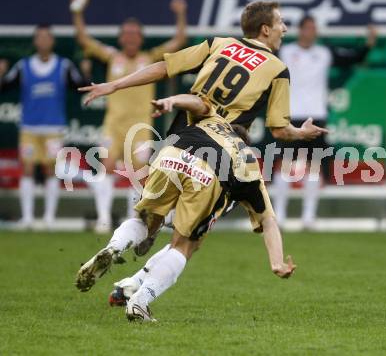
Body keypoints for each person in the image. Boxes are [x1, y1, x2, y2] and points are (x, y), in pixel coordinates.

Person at [77, 1, 328, 301]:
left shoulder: (218, 43)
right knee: (190, 240)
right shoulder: (277, 68)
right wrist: (302, 133)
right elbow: (278, 129)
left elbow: (165, 67)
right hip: (221, 153)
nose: (285, 28)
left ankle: (123, 264)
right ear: (265, 29)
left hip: (179, 138)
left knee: (148, 218)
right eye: (281, 23)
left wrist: (115, 85)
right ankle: (139, 294)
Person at [76, 93, 296, 322]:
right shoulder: (248, 161)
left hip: (171, 155)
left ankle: (114, 248)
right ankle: (139, 302)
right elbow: (268, 221)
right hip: (205, 176)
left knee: (145, 222)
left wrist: (171, 101)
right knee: (185, 245)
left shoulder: (215, 121)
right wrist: (277, 263)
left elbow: (197, 101)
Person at [71, 0, 187, 233]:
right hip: (113, 125)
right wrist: (77, 12)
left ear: (141, 38)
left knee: (140, 174)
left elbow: (179, 40)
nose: (131, 37)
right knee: (106, 166)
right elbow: (84, 39)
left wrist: (181, 14)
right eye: (127, 33)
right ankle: (103, 219)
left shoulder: (151, 59)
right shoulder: (112, 57)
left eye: (135, 33)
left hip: (140, 128)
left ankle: (131, 218)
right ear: (121, 38)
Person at [272, 16, 377, 230]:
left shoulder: (324, 53)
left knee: (314, 166)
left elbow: (354, 58)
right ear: (300, 30)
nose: (311, 32)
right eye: (307, 28)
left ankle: (309, 216)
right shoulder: (284, 52)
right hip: (290, 116)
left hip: (316, 116)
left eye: (314, 28)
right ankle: (279, 216)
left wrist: (369, 43)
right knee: (284, 164)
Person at [0, 24, 91, 229]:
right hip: (29, 128)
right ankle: (28, 218)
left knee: (51, 170)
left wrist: (87, 74)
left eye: (46, 37)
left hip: (53, 128)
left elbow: (79, 87)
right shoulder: (23, 66)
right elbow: (5, 87)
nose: (43, 41)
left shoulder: (63, 65)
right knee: (28, 169)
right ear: (35, 41)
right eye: (39, 38)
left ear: (52, 41)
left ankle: (49, 218)